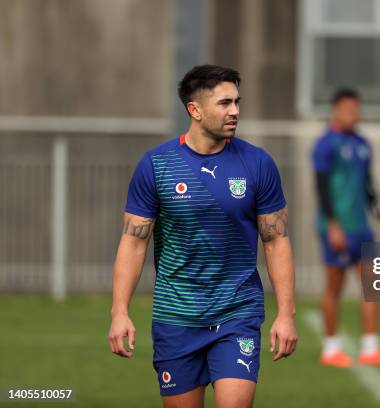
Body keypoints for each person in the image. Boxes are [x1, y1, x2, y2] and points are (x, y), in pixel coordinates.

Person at [108, 64, 298, 408]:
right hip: (176, 315)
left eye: (237, 102)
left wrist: (286, 314)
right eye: (224, 103)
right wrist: (119, 311)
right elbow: (134, 241)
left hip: (237, 313)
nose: (235, 111)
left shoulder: (258, 164)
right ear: (194, 110)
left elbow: (276, 240)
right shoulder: (156, 165)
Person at [311, 88, 380, 368]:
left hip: (363, 228)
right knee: (334, 287)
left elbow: (369, 186)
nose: (355, 114)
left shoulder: (363, 143)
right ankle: (330, 348)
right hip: (337, 228)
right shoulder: (325, 144)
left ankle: (371, 347)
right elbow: (322, 188)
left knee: (372, 285)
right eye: (349, 109)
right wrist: (334, 225)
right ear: (336, 111)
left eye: (357, 109)